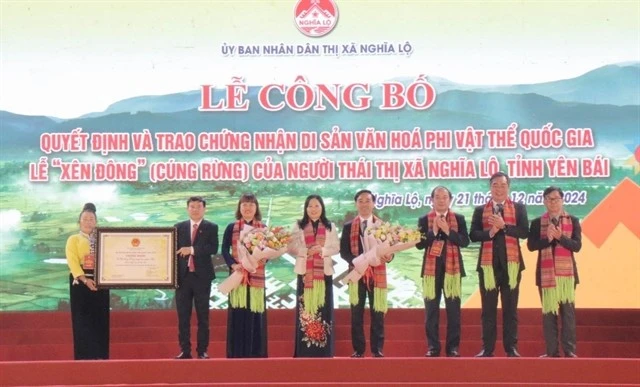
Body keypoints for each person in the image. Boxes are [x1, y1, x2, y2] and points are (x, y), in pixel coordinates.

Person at [470, 172, 528, 357]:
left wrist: (504, 227)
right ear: (490, 187)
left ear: (508, 187)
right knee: (488, 310)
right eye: (496, 185)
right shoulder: (480, 210)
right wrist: (491, 232)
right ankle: (487, 349)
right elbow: (473, 235)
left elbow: (524, 232)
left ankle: (511, 348)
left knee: (510, 310)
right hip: (488, 266)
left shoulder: (518, 208)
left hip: (511, 266)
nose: (499, 189)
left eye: (503, 185)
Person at [527, 186, 581, 358]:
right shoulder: (537, 222)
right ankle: (552, 352)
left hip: (567, 275)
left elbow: (577, 246)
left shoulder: (573, 220)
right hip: (546, 276)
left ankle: (570, 351)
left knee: (568, 314)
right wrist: (548, 240)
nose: (553, 202)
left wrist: (560, 237)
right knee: (549, 314)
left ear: (562, 200)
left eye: (556, 199)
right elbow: (531, 246)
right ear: (544, 201)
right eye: (550, 199)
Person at [416, 186, 470, 357]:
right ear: (431, 200)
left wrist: (447, 231)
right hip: (431, 271)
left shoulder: (459, 219)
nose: (441, 200)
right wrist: (433, 231)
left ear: (450, 200)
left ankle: (452, 348)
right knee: (431, 311)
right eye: (437, 197)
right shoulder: (424, 219)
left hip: (452, 271)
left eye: (444, 197)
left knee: (453, 312)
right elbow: (419, 244)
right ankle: (433, 347)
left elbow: (465, 241)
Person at [340, 189, 392, 358]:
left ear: (374, 203)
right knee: (356, 314)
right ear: (356, 204)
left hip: (377, 274)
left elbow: (390, 250)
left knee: (377, 313)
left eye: (367, 201)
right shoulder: (349, 226)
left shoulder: (382, 225)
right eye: (360, 201)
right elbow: (344, 252)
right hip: (357, 274)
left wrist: (388, 256)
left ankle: (377, 350)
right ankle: (359, 350)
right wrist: (358, 262)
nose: (364, 204)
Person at [291, 194, 340, 357]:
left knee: (323, 310)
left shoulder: (330, 226)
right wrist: (306, 251)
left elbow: (336, 248)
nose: (313, 209)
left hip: (323, 274)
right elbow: (292, 247)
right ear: (305, 208)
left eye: (316, 206)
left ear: (322, 208)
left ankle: (324, 350)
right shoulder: (298, 226)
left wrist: (322, 251)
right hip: (305, 274)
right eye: (310, 206)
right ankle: (305, 351)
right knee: (305, 312)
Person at [221, 193, 268, 358]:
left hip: (256, 275)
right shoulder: (231, 227)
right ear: (239, 208)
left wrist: (256, 261)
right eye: (244, 205)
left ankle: (256, 353)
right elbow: (224, 250)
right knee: (238, 313)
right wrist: (233, 264)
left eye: (251, 205)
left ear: (256, 208)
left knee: (255, 313)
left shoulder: (263, 228)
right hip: (238, 276)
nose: (248, 208)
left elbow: (268, 253)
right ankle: (237, 353)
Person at [174, 196, 218, 359]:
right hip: (182, 278)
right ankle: (185, 350)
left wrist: (191, 250)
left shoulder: (211, 227)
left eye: (198, 207)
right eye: (192, 207)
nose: (195, 209)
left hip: (202, 277)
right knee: (183, 316)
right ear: (187, 209)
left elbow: (212, 248)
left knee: (203, 316)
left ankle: (202, 351)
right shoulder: (178, 227)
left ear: (204, 209)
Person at [65, 202, 109, 360]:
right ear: (79, 222)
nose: (88, 221)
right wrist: (84, 279)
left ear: (96, 222)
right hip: (80, 282)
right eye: (85, 218)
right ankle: (83, 357)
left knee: (100, 318)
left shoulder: (103, 238)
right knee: (81, 319)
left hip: (101, 280)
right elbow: (72, 262)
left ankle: (101, 356)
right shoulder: (73, 239)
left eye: (91, 219)